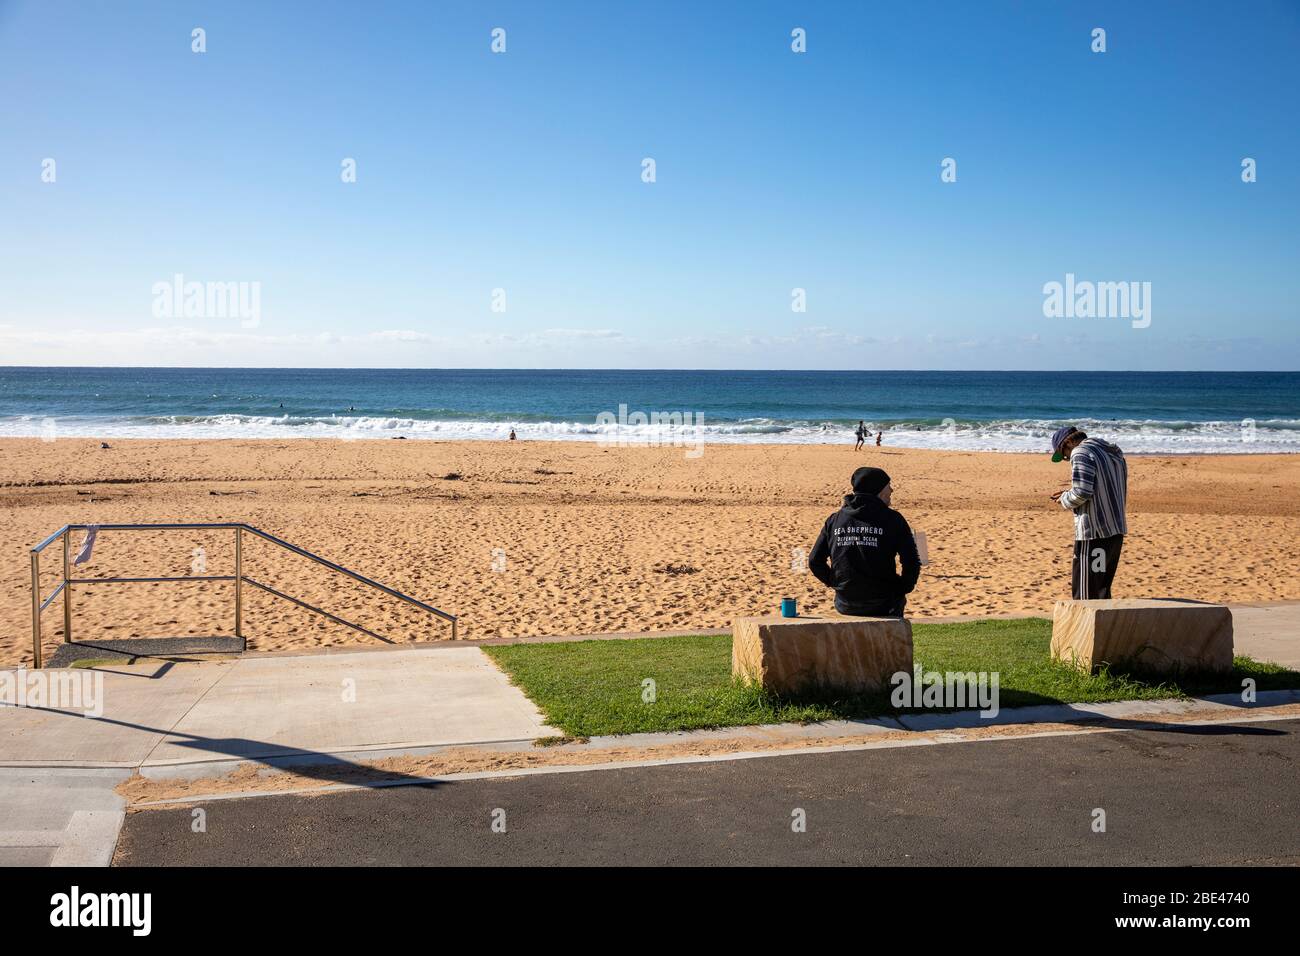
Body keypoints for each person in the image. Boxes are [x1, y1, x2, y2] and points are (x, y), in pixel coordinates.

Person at [809, 466, 921, 617]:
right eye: (889, 487)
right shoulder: (893, 519)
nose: (892, 491)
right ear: (879, 491)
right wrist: (903, 587)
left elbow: (815, 560)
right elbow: (912, 560)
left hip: (846, 602)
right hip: (882, 602)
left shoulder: (835, 519)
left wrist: (835, 582)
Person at [1049, 426, 1128, 599]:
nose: (1066, 458)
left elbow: (1082, 493)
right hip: (1115, 529)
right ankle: (1105, 626)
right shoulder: (1112, 452)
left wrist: (1064, 499)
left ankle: (1087, 627)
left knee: (1085, 594)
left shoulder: (1080, 452)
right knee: (1101, 590)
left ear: (1068, 442)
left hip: (1094, 532)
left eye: (1064, 454)